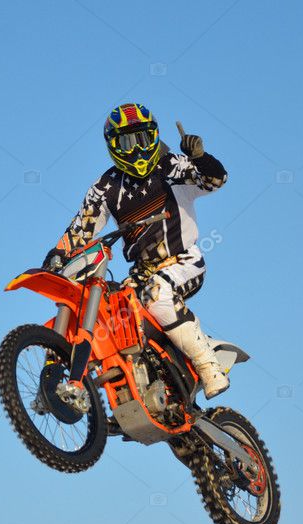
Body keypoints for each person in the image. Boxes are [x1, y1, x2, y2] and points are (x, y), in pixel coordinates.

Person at [44, 103, 230, 398]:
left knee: (157, 293)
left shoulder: (170, 166)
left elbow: (214, 181)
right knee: (112, 310)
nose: (136, 149)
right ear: (113, 146)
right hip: (140, 275)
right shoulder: (106, 186)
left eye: (143, 139)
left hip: (183, 261)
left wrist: (200, 158)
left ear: (154, 137)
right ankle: (127, 385)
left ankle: (208, 366)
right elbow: (82, 226)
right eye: (127, 142)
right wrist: (57, 254)